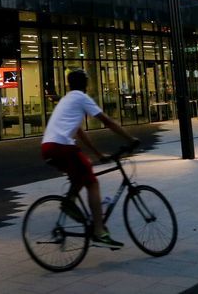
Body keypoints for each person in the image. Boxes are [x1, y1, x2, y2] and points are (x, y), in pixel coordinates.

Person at [41, 69, 140, 249]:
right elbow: (107, 121)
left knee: (81, 174)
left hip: (49, 147)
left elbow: (79, 131)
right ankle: (99, 231)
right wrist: (130, 139)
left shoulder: (66, 99)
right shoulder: (81, 97)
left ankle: (69, 203)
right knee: (92, 183)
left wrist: (98, 153)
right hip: (62, 146)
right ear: (85, 83)